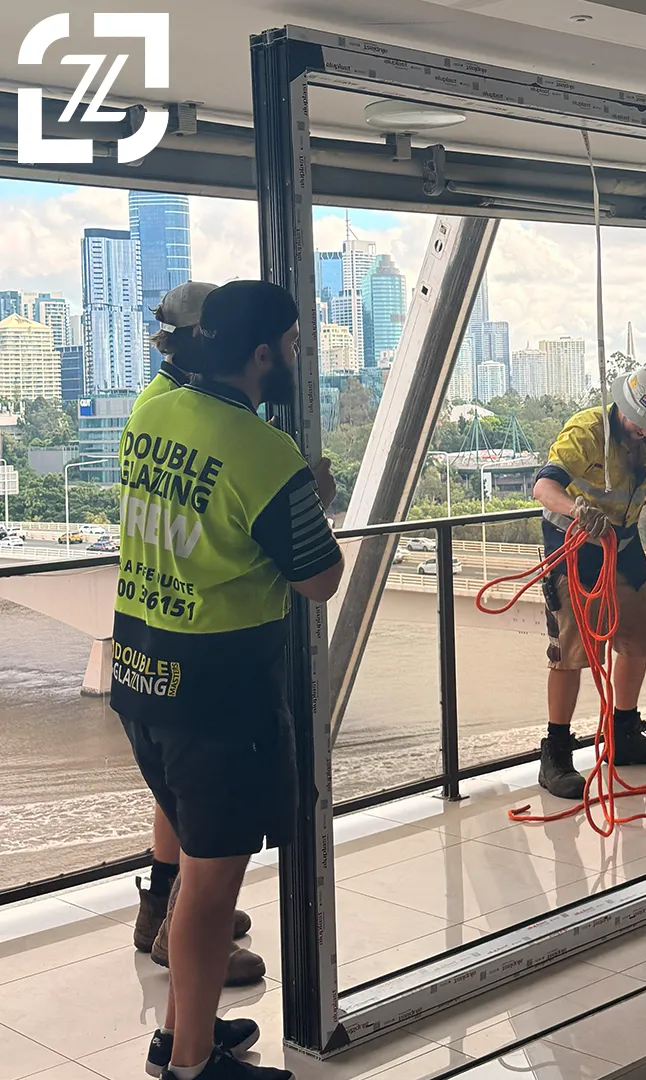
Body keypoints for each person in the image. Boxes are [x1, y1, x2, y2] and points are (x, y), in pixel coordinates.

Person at [111, 280, 344, 1080]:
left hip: (141, 673)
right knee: (212, 890)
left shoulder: (152, 410)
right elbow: (319, 579)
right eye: (294, 344)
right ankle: (192, 1069)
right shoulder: (262, 452)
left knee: (193, 872)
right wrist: (311, 498)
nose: (298, 357)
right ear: (261, 354)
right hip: (219, 696)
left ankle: (182, 1034)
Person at [127, 281, 265, 989]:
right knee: (199, 796)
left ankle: (168, 910)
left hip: (155, 631)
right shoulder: (180, 413)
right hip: (195, 632)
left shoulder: (158, 404)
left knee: (175, 791)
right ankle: (182, 922)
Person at [532, 365, 646, 800]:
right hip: (574, 545)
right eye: (641, 423)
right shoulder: (586, 432)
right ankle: (556, 753)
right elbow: (543, 488)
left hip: (625, 542)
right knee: (571, 651)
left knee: (640, 637)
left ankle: (624, 734)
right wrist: (577, 510)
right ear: (623, 407)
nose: (645, 433)